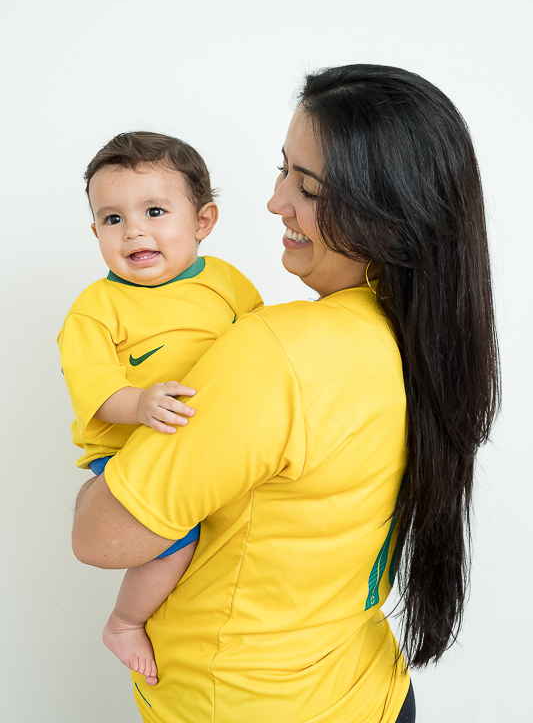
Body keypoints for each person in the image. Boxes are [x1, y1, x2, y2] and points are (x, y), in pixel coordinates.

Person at [71, 65, 500, 723]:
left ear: (385, 212)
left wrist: (95, 477)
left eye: (307, 187)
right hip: (366, 690)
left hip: (248, 704)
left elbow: (101, 539)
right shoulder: (421, 338)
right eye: (282, 171)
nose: (275, 202)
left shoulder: (275, 351)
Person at [58, 132, 262, 685]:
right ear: (96, 230)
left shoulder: (227, 282)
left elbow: (261, 343)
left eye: (153, 211)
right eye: (112, 219)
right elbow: (97, 390)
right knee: (177, 541)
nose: (135, 231)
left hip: (206, 446)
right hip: (134, 453)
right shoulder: (95, 310)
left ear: (203, 221)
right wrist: (141, 403)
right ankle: (124, 623)